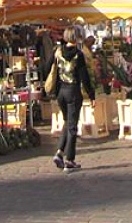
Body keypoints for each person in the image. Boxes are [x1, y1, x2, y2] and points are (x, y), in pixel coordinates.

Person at [47, 28, 96, 172]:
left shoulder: (58, 51)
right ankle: (70, 159)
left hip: (60, 92)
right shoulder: (78, 55)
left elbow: (46, 67)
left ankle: (59, 153)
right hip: (73, 92)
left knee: (67, 122)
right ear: (77, 38)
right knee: (73, 127)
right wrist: (91, 95)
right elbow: (84, 77)